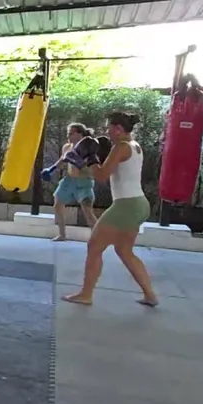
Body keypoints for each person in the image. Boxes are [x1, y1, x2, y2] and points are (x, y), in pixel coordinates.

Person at [63, 112, 159, 307]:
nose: (107, 132)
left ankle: (86, 295)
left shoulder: (120, 147)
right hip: (140, 204)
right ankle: (150, 295)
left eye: (109, 128)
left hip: (126, 205)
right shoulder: (135, 146)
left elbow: (101, 176)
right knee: (124, 250)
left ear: (118, 129)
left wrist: (90, 158)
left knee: (94, 246)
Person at [50, 122, 99, 240]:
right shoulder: (67, 147)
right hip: (69, 180)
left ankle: (98, 238)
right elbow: (62, 161)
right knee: (57, 205)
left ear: (80, 134)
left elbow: (93, 170)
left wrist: (80, 163)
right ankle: (62, 235)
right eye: (68, 133)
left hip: (84, 182)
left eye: (71, 133)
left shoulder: (89, 148)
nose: (68, 136)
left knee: (88, 212)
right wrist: (51, 169)